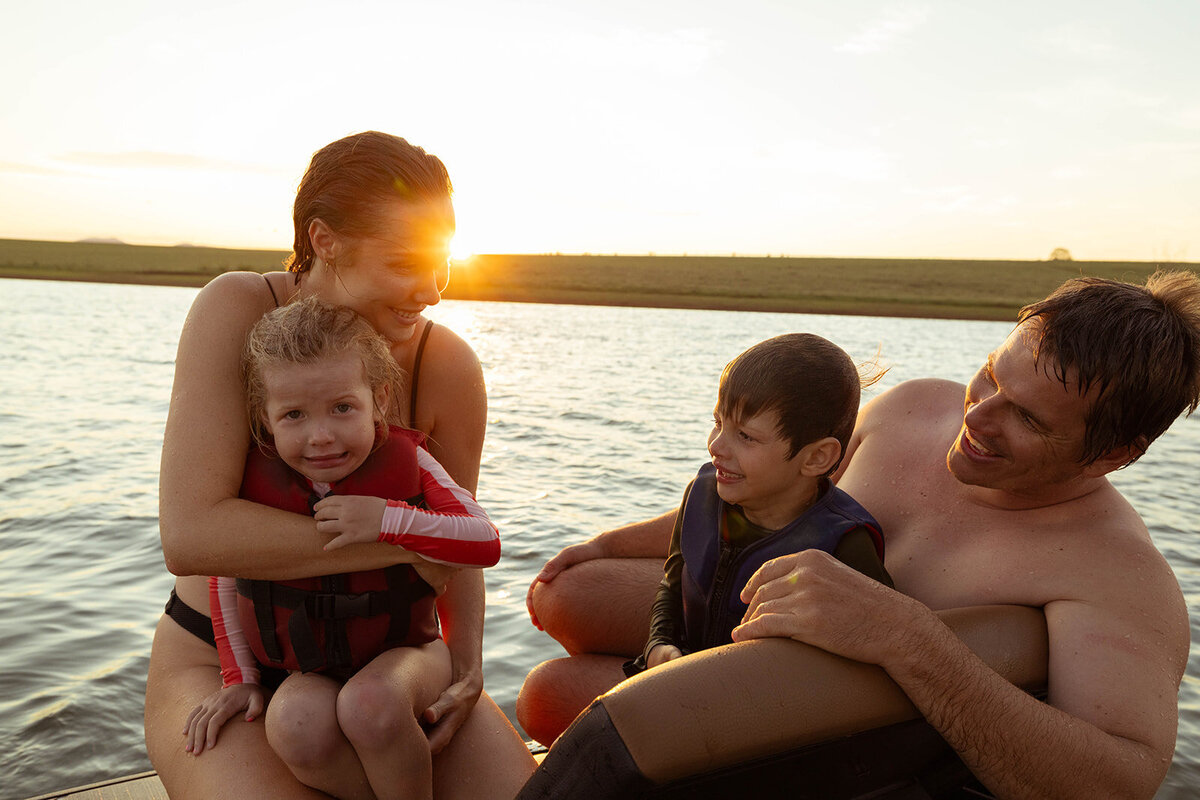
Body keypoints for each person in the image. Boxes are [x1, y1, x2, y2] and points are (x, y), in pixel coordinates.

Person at [521, 271, 1200, 799]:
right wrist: (611, 543)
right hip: (742, 625)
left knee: (553, 694)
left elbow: (1119, 782)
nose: (978, 416)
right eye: (991, 373)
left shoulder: (1117, 573)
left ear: (1115, 454)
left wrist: (908, 638)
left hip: (814, 739)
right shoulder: (914, 407)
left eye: (1026, 417)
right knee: (567, 597)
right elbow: (781, 495)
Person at [147, 131, 536, 800]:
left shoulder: (448, 366)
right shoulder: (235, 310)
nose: (432, 291)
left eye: (440, 264)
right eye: (406, 262)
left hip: (386, 663)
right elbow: (193, 536)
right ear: (325, 240)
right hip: (225, 662)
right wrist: (400, 538)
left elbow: (455, 549)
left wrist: (468, 665)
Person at [182, 297, 501, 800]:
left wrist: (387, 520)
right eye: (294, 415)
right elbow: (226, 572)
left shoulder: (411, 462)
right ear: (265, 420)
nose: (321, 436)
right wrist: (239, 675)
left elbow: (484, 541)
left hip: (410, 653)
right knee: (293, 722)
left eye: (343, 407)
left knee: (370, 704)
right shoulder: (254, 485)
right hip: (314, 665)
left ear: (380, 399)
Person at [625, 333, 891, 676]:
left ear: (816, 457)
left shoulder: (846, 545)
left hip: (771, 715)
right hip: (682, 681)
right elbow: (672, 584)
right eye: (718, 423)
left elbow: (873, 655)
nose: (716, 446)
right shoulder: (701, 495)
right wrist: (659, 644)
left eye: (745, 436)